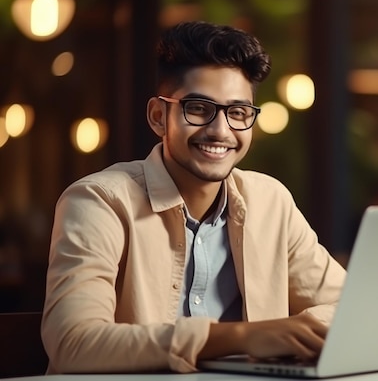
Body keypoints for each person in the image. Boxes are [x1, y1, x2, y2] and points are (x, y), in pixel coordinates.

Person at [41, 21, 346, 374]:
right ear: (159, 116)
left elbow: (348, 306)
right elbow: (73, 343)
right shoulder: (99, 202)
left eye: (238, 112)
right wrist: (242, 337)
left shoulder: (270, 202)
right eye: (199, 108)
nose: (220, 130)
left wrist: (295, 333)